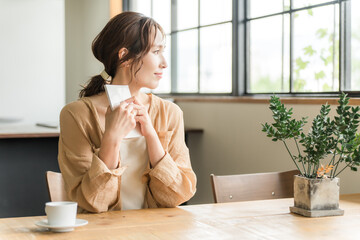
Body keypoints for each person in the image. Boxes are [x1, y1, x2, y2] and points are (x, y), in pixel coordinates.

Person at [58, 12, 197, 213]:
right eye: (156, 51)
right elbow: (91, 202)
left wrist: (151, 136)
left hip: (157, 231)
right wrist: (112, 138)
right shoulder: (76, 115)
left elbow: (180, 194)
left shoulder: (170, 113)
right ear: (125, 56)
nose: (164, 63)